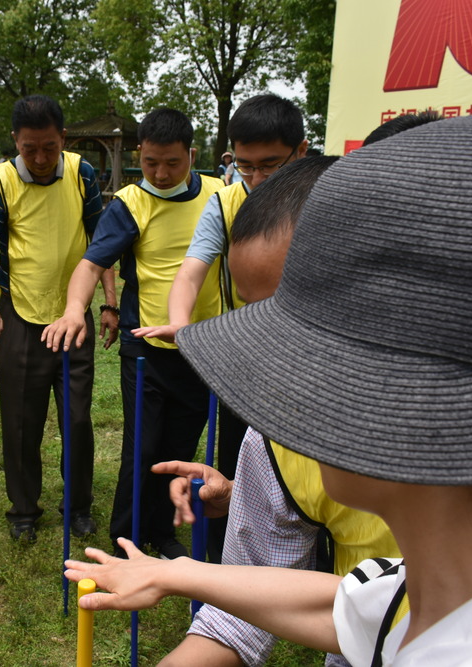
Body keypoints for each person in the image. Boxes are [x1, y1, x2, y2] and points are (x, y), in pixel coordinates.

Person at [66, 116, 472, 665]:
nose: (276, 381)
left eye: (307, 352)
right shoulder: (455, 587)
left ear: (412, 390)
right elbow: (350, 608)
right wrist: (185, 572)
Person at [154, 156, 399, 667]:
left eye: (297, 318)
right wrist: (252, 496)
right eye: (252, 315)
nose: (271, 351)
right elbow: (242, 616)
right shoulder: (277, 434)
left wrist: (180, 576)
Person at [43, 108, 224, 559]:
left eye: (172, 163)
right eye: (150, 163)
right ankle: (125, 539)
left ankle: (163, 535)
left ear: (192, 155)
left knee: (181, 448)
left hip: (204, 350)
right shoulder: (129, 204)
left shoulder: (222, 196)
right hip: (146, 351)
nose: (160, 174)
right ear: (139, 155)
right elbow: (91, 263)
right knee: (141, 447)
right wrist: (72, 310)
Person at [135, 94, 308, 562]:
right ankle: (226, 561)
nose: (257, 179)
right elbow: (191, 271)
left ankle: (307, 560)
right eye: (245, 165)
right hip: (246, 359)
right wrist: (180, 325)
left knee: (303, 467)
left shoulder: (320, 197)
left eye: (271, 166)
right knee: (236, 463)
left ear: (302, 151)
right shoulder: (225, 202)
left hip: (308, 361)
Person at [0, 94, 117, 542]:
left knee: (79, 421)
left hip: (74, 319)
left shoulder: (83, 175)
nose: (41, 157)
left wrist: (107, 303)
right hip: (20, 319)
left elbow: (100, 243)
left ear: (63, 139)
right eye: (30, 148)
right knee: (20, 422)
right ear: (16, 141)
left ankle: (80, 505)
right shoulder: (1, 182)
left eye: (49, 146)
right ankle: (23, 509)